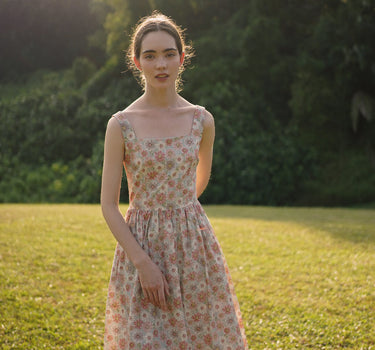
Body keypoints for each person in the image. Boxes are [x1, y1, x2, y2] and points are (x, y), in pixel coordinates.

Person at [101, 11, 248, 350]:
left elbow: (198, 182)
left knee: (201, 339)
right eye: (150, 56)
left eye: (168, 54)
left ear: (182, 58)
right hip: (140, 247)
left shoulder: (202, 120)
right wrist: (143, 262)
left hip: (195, 249)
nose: (161, 64)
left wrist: (178, 215)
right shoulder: (120, 125)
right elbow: (108, 206)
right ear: (137, 62)